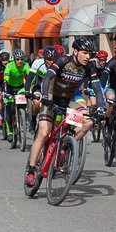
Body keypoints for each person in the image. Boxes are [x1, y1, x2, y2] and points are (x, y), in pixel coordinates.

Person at [24, 37, 105, 187]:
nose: (88, 56)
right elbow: (47, 77)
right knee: (43, 133)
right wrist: (44, 97)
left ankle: (64, 147)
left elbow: (98, 90)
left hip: (69, 101)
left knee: (88, 121)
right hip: (51, 97)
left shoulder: (89, 67)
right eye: (85, 53)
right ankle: (31, 170)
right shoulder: (63, 60)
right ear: (75, 51)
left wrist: (100, 108)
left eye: (90, 53)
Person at [3, 49, 31, 142]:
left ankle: (22, 116)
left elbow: (31, 76)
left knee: (22, 103)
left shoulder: (26, 65)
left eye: (21, 59)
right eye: (18, 59)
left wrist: (30, 89)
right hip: (9, 88)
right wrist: (6, 92)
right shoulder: (9, 66)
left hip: (20, 88)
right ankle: (9, 132)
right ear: (14, 59)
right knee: (9, 110)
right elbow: (5, 80)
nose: (19, 61)